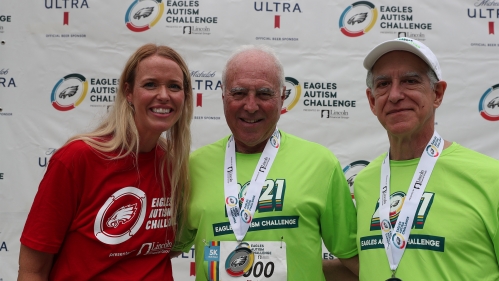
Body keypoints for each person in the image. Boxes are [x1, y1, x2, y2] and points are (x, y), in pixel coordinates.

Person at [172, 45, 358, 281]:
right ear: (223, 96)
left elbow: (356, 259)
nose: (250, 106)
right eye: (238, 93)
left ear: (282, 97)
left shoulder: (321, 163)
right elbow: (157, 252)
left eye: (264, 94)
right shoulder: (193, 167)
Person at [18, 44, 193, 280]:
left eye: (174, 86)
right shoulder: (77, 158)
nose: (164, 95)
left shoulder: (173, 166)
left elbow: (157, 254)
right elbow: (32, 270)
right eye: (150, 84)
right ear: (128, 92)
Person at [355, 37, 499, 280]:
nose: (395, 95)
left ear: (437, 94)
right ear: (371, 100)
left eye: (411, 81)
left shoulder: (490, 177)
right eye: (383, 84)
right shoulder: (364, 182)